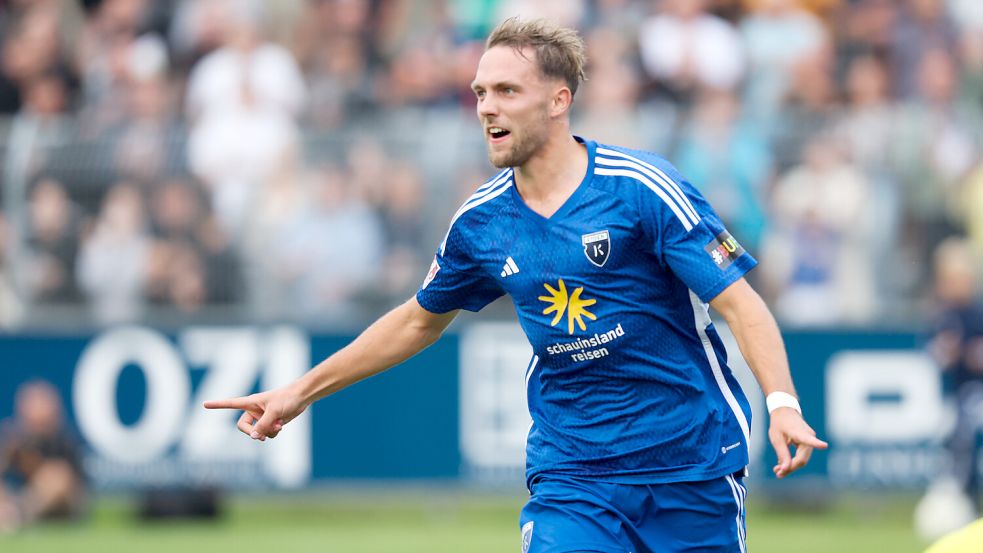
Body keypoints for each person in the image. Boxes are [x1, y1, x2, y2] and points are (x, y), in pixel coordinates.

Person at [205, 17, 827, 552]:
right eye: (480, 92)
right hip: (573, 476)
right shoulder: (482, 222)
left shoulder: (642, 189)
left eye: (506, 90)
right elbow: (418, 320)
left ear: (558, 100)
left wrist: (782, 404)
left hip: (691, 465)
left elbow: (740, 303)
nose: (486, 107)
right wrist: (300, 392)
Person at [926, 238, 983, 514]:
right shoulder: (941, 316)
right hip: (953, 396)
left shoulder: (977, 314)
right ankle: (961, 493)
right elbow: (937, 353)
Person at [0, 381, 86, 532]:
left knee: (56, 477)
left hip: (56, 506)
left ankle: (19, 515)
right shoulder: (12, 439)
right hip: (15, 497)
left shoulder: (64, 442)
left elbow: (70, 484)